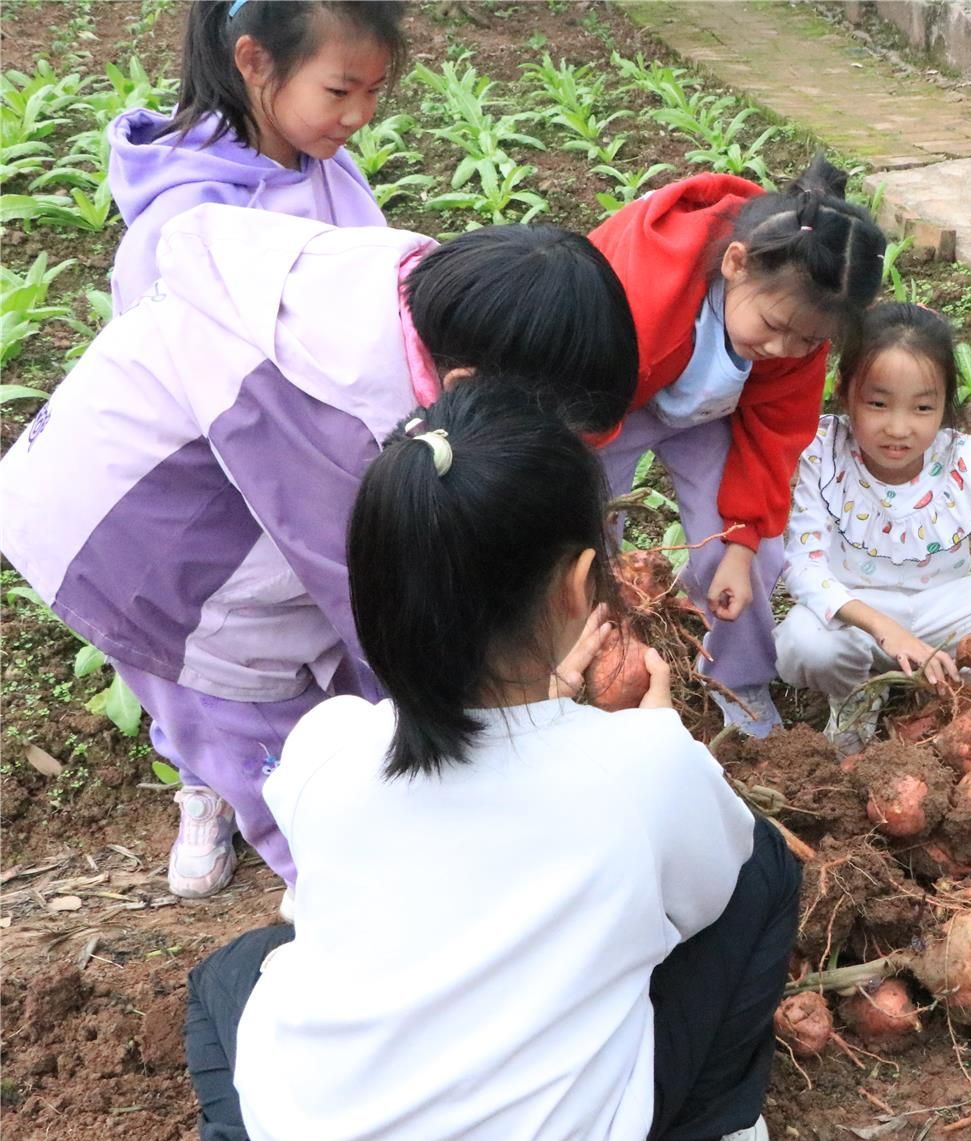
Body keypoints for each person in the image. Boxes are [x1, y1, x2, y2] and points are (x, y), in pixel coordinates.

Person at [181, 379, 800, 1141]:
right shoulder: (644, 772)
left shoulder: (327, 750)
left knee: (229, 974)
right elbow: (708, 896)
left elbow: (450, 829)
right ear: (583, 583)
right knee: (762, 869)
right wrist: (659, 740)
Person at [0, 206, 638, 902]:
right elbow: (386, 612)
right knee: (272, 755)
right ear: (465, 386)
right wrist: (509, 721)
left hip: (222, 494)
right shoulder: (329, 426)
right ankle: (337, 900)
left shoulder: (439, 297)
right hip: (135, 556)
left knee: (357, 717)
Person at [590, 156, 888, 739]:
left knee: (751, 552)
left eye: (808, 341)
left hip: (712, 414)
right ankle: (588, 669)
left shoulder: (797, 329)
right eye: (774, 326)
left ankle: (742, 678)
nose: (783, 349)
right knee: (582, 536)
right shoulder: (645, 284)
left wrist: (742, 544)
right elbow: (578, 400)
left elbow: (774, 440)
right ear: (735, 264)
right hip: (611, 400)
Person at [775, 303, 971, 753]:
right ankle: (856, 696)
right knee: (806, 643)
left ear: (944, 405)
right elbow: (804, 569)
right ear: (845, 393)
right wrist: (886, 630)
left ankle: (949, 686)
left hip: (946, 610)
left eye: (922, 407)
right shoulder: (823, 454)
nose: (898, 428)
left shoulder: (966, 462)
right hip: (859, 615)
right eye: (878, 404)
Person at [108, 0, 402, 312]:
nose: (358, 115)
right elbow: (150, 347)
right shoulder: (187, 214)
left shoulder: (329, 164)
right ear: (256, 62)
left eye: (373, 91)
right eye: (339, 92)